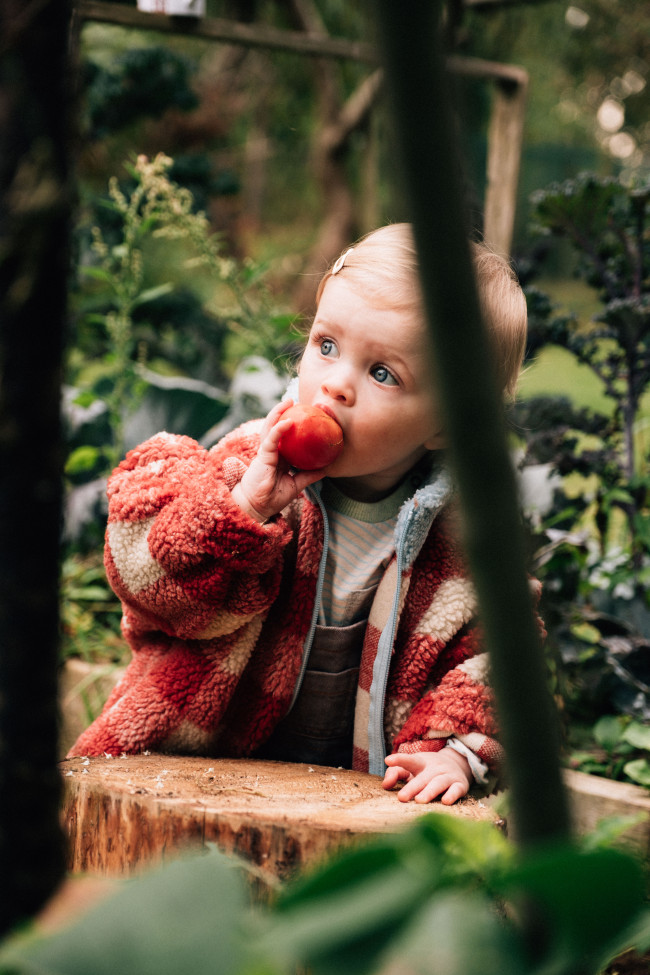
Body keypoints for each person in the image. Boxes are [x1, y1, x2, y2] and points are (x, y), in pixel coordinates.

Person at [69, 223, 535, 805]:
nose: (334, 385)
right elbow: (149, 587)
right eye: (327, 346)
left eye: (383, 373)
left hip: (355, 802)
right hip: (194, 774)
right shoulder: (246, 472)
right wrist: (240, 514)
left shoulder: (462, 546)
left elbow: (496, 662)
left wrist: (455, 752)